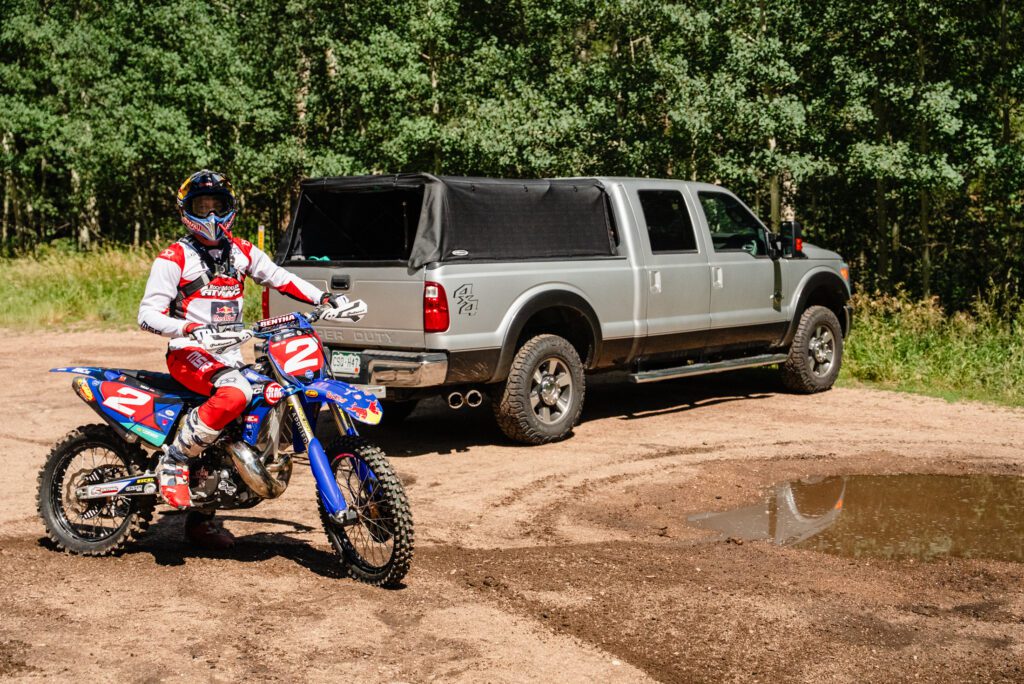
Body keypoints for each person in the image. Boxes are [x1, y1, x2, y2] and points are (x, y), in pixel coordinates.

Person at [138, 169, 341, 549]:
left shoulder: (241, 251)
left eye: (218, 206)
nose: (212, 215)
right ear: (187, 210)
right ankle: (175, 460)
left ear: (230, 208)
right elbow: (147, 315)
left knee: (260, 408)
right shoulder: (174, 256)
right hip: (189, 353)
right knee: (235, 394)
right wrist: (189, 328)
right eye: (203, 206)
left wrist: (324, 299)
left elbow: (280, 277)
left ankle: (202, 518)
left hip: (229, 356)